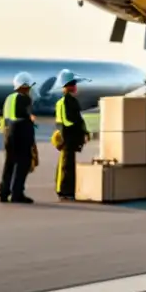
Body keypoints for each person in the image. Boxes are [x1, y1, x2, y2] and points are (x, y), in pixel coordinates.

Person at [0, 71, 36, 204]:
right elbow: (26, 117)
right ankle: (17, 193)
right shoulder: (24, 98)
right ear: (25, 86)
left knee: (9, 163)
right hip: (21, 132)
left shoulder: (9, 98)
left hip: (8, 133)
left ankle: (4, 192)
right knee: (23, 163)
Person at [54, 69, 90, 201]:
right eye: (73, 84)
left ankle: (68, 190)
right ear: (67, 86)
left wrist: (84, 132)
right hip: (67, 138)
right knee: (65, 165)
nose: (75, 86)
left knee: (68, 164)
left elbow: (78, 119)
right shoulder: (64, 101)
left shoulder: (72, 101)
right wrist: (80, 131)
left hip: (71, 138)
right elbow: (68, 121)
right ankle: (63, 191)